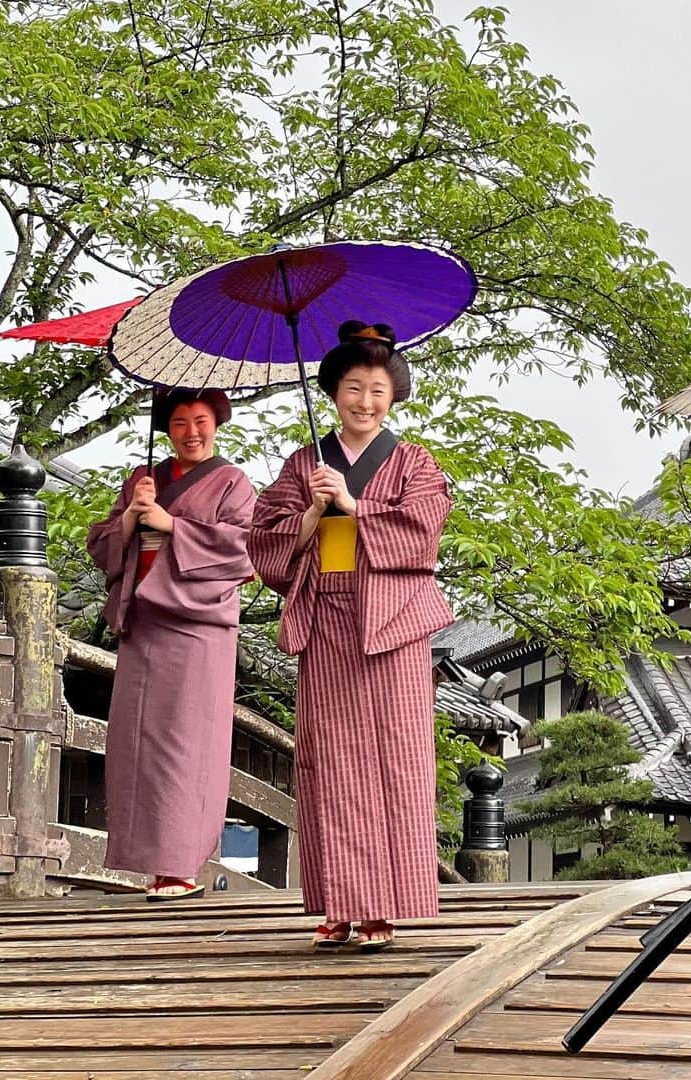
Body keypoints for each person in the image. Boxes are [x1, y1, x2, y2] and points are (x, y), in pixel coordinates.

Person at [247, 321, 453, 950]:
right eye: (354, 388)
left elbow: (424, 529)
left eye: (378, 390)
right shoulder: (303, 463)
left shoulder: (414, 462)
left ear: (395, 397)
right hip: (330, 616)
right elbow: (266, 541)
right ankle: (339, 904)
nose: (366, 402)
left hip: (393, 623)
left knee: (395, 760)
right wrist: (314, 509)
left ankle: (384, 906)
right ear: (333, 391)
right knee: (331, 763)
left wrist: (355, 505)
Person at [87, 389, 255, 901]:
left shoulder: (233, 483)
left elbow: (246, 548)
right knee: (137, 745)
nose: (191, 432)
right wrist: (132, 519)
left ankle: (181, 865)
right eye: (179, 422)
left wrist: (173, 526)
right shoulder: (145, 480)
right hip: (142, 623)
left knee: (186, 745)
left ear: (217, 423)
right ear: (167, 428)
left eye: (200, 421)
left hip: (197, 627)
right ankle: (151, 863)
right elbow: (103, 544)